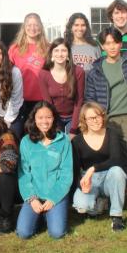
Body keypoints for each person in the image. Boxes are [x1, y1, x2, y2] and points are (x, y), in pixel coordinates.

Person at [16, 102, 73, 240]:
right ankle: (39, 216)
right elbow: (24, 174)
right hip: (34, 195)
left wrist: (53, 198)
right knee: (24, 233)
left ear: (54, 118)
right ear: (34, 119)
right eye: (40, 117)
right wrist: (32, 199)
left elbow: (66, 174)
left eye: (48, 117)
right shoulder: (26, 141)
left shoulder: (64, 140)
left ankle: (50, 214)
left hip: (55, 195)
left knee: (57, 233)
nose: (44, 121)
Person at [71, 102, 127, 232]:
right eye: (91, 118)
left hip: (110, 176)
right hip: (90, 180)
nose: (96, 120)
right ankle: (100, 203)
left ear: (103, 117)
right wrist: (81, 186)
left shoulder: (111, 133)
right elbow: (74, 170)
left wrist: (93, 168)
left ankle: (116, 217)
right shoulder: (77, 141)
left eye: (98, 116)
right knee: (82, 206)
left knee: (118, 172)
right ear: (84, 120)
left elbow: (116, 160)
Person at [38, 38, 85, 136]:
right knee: (57, 144)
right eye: (56, 50)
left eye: (63, 50)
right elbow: (48, 102)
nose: (60, 54)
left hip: (73, 117)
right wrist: (54, 125)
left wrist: (73, 130)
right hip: (55, 117)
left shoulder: (78, 72)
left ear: (68, 54)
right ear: (51, 54)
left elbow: (79, 101)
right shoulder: (43, 74)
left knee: (72, 145)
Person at [9, 12, 49, 125]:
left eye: (36, 25)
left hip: (41, 100)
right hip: (19, 100)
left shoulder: (48, 48)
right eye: (29, 25)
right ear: (24, 28)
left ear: (40, 28)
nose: (32, 28)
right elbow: (6, 74)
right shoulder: (14, 49)